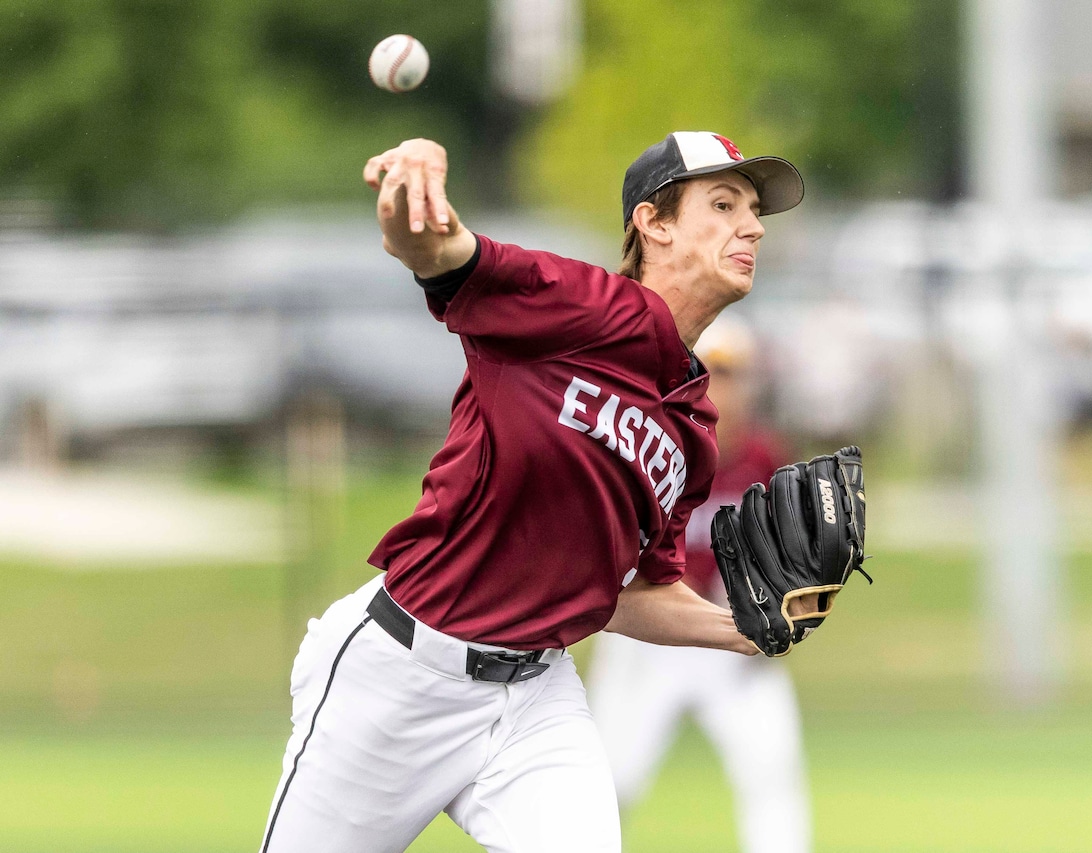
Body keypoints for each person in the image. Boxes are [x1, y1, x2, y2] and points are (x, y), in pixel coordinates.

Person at [256, 131, 806, 853]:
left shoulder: (695, 422)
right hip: (402, 674)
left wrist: (745, 625)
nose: (753, 225)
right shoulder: (580, 307)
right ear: (654, 222)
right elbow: (436, 253)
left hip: (534, 697)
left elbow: (624, 591)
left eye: (756, 210)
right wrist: (409, 191)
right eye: (726, 203)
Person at [588, 317, 811, 853]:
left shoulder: (764, 458)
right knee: (607, 784)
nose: (724, 388)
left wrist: (785, 599)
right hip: (650, 635)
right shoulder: (653, 447)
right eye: (712, 372)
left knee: (772, 775)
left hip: (730, 639)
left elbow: (782, 552)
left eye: (734, 374)